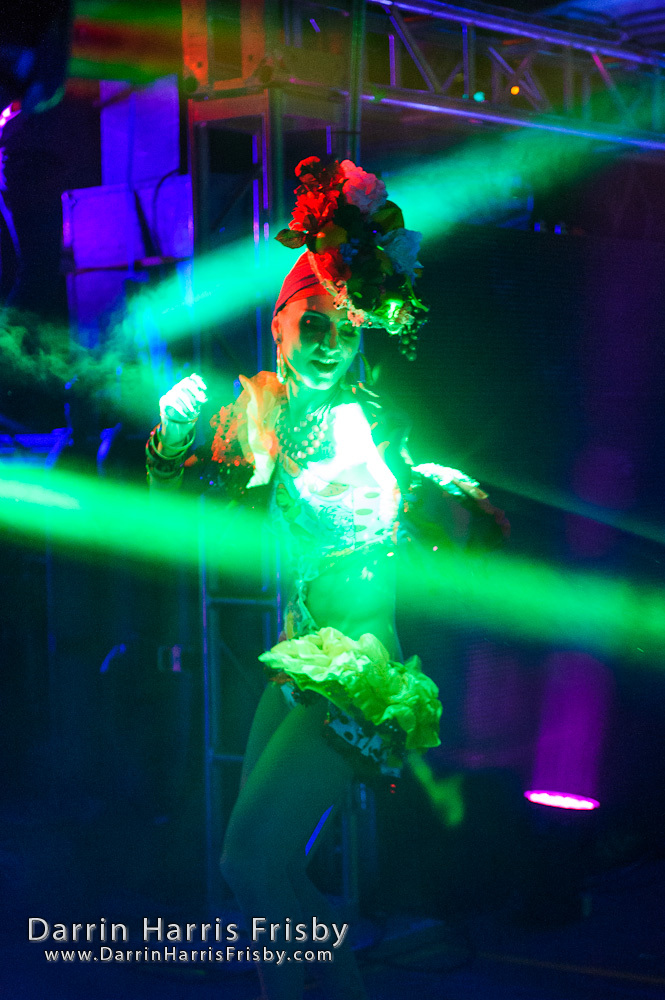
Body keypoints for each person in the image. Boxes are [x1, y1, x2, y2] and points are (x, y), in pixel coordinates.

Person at [146, 156, 508, 1000]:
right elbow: (178, 502)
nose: (329, 347)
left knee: (252, 862)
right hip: (301, 658)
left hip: (359, 666)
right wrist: (169, 439)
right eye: (313, 327)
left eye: (344, 333)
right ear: (278, 326)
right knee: (257, 875)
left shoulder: (370, 421)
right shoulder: (261, 414)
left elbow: (432, 512)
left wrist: (439, 501)